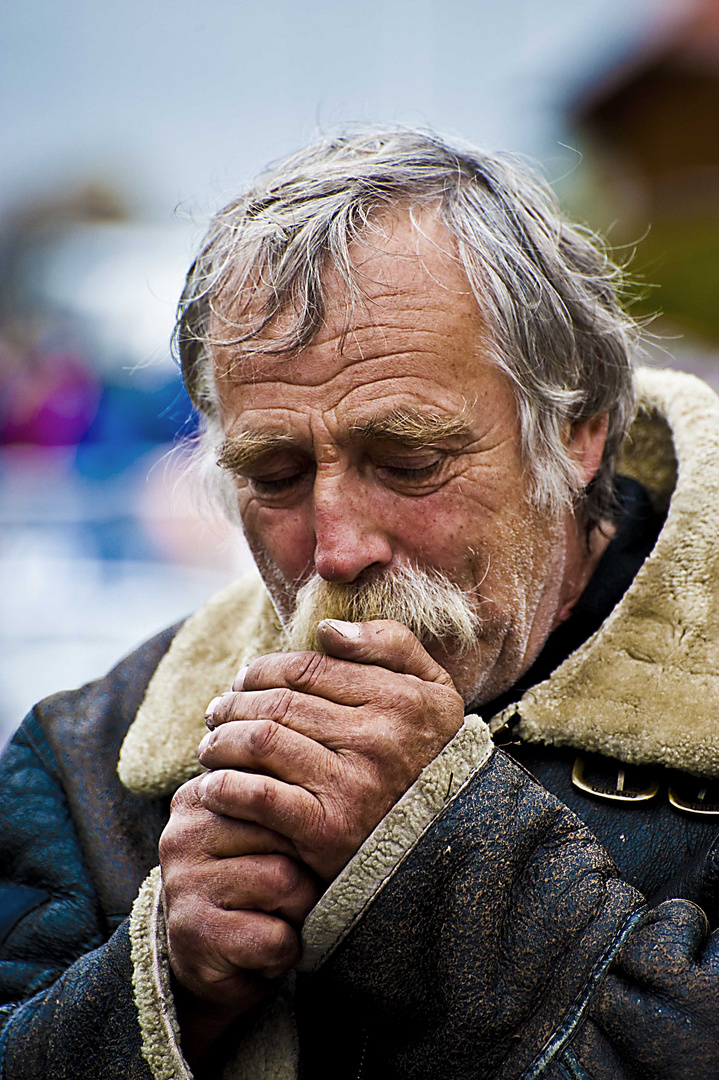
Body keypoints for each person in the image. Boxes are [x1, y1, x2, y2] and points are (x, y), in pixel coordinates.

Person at [1, 128, 718, 1080]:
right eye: (276, 474)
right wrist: (166, 986)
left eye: (408, 461)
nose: (338, 546)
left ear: (577, 427)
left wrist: (441, 858)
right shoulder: (97, 757)